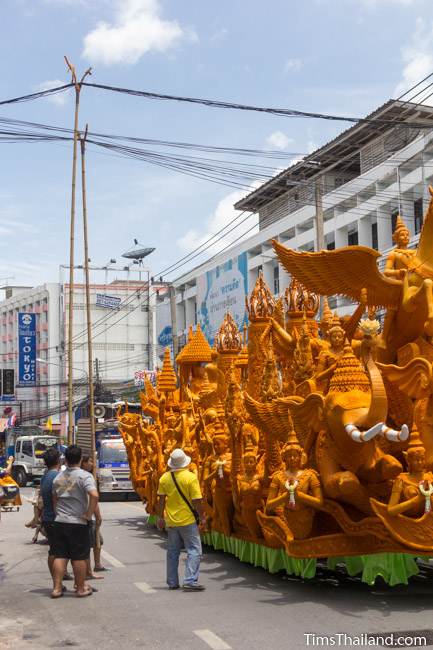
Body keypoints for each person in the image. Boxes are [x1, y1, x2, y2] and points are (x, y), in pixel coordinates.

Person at [51, 445, 99, 598]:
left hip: (60, 520)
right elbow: (94, 495)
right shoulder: (84, 476)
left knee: (60, 555)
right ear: (80, 459)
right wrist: (88, 514)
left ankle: (57, 589)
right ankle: (80, 588)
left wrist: (58, 513)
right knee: (79, 557)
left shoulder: (58, 477)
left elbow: (55, 499)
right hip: (78, 522)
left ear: (65, 459)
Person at [157, 448, 206, 592]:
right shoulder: (190, 477)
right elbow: (197, 500)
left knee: (172, 552)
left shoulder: (164, 478)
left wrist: (160, 517)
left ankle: (172, 582)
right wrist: (202, 517)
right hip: (188, 520)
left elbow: (161, 500)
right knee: (194, 550)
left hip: (171, 521)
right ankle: (190, 580)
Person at [81, 454, 107, 576]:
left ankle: (96, 565)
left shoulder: (85, 476)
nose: (93, 464)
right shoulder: (86, 477)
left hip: (86, 515)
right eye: (90, 461)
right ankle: (88, 571)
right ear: (84, 463)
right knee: (89, 544)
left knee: (97, 541)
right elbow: (93, 498)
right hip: (87, 516)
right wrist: (97, 516)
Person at [40, 447, 61, 588]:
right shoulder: (58, 477)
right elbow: (58, 500)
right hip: (57, 518)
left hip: (47, 517)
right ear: (58, 461)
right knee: (60, 552)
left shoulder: (45, 476)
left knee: (53, 550)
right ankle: (57, 585)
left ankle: (56, 582)